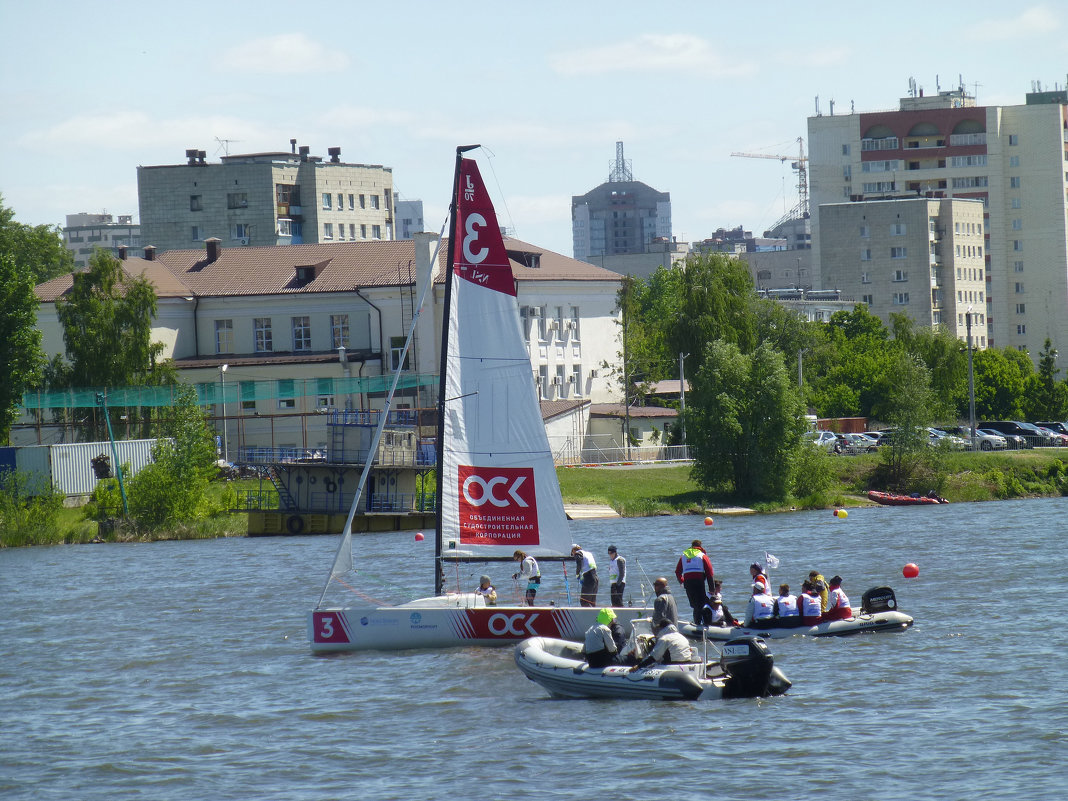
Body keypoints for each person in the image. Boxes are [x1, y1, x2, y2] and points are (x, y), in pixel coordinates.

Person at [675, 539, 715, 625]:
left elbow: (677, 572)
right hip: (699, 581)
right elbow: (709, 572)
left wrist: (682, 582)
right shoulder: (702, 555)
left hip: (688, 583)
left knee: (694, 604)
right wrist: (712, 589)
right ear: (700, 547)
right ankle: (703, 624)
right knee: (701, 603)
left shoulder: (683, 556)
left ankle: (697, 622)